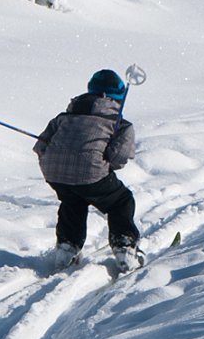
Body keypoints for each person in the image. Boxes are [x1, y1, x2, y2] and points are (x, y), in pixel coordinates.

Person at [35, 69, 144, 271]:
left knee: (73, 200)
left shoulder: (64, 116)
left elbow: (40, 145)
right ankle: (124, 247)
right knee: (121, 201)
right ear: (118, 96)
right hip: (91, 173)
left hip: (54, 173)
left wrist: (55, 162)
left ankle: (67, 248)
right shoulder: (119, 123)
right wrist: (104, 163)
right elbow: (119, 157)